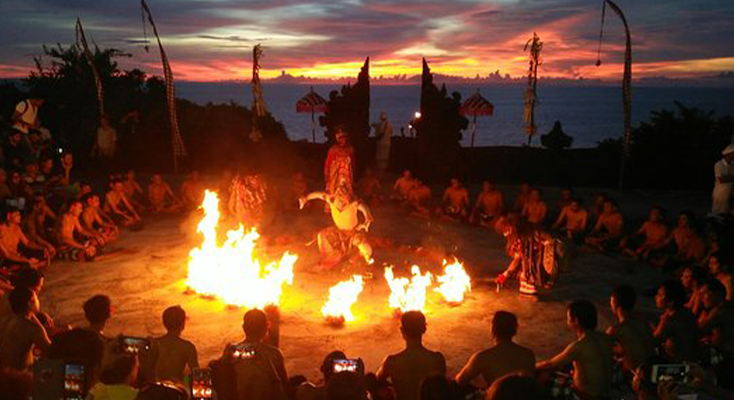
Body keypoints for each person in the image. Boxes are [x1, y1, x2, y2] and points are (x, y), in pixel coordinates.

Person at [536, 300, 614, 400]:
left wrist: (530, 367)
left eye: (568, 317)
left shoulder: (579, 346)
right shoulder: (606, 338)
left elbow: (550, 364)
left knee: (541, 375)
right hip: (605, 392)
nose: (567, 320)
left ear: (576, 321)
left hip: (585, 395)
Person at [376, 311, 446, 400]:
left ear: (402, 330)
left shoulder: (391, 362)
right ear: (424, 328)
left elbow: (376, 381)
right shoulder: (437, 359)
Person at [300, 185, 374, 268]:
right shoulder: (331, 200)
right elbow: (318, 195)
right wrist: (305, 198)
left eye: (343, 196)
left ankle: (358, 260)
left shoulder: (353, 203)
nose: (340, 201)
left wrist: (367, 218)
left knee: (366, 250)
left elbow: (364, 207)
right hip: (339, 232)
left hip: (353, 233)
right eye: (338, 195)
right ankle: (329, 259)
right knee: (322, 235)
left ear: (347, 196)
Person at [455, 311, 535, 387]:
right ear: (514, 331)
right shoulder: (528, 354)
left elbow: (460, 381)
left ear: (493, 330)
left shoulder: (483, 357)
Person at [222, 309, 288, 400]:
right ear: (266, 327)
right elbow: (284, 388)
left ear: (244, 327)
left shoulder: (231, 351)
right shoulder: (274, 354)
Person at [0, 287, 51, 370]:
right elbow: (50, 350)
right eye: (36, 298)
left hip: (4, 367)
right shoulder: (32, 329)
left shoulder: (9, 319)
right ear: (30, 303)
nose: (38, 300)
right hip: (19, 373)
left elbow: (28, 314)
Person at [606, 285, 654, 372]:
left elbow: (600, 349)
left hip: (635, 374)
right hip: (651, 368)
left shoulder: (616, 329)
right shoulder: (643, 323)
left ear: (614, 302)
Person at [652, 280, 700, 362]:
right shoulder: (685, 312)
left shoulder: (672, 318)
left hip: (679, 362)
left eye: (660, 295)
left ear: (671, 302)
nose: (656, 297)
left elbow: (653, 341)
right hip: (691, 358)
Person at [151, 306, 198, 383]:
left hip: (155, 389)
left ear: (164, 323)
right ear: (182, 324)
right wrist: (184, 380)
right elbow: (197, 375)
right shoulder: (188, 347)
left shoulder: (154, 344)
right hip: (175, 390)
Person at [697, 279, 734, 375]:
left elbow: (698, 331)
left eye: (704, 294)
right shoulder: (726, 306)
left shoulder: (720, 310)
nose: (701, 298)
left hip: (727, 358)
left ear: (717, 294)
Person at [324, 128, 354, 196]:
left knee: (347, 195)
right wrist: (327, 178)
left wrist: (353, 178)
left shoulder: (350, 150)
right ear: (338, 139)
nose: (343, 139)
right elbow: (327, 165)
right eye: (341, 138)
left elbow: (352, 165)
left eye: (344, 137)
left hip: (346, 178)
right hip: (335, 178)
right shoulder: (333, 150)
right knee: (332, 195)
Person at [712, 144, 734, 216]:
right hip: (720, 193)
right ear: (728, 154)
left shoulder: (732, 164)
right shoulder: (719, 165)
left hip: (730, 192)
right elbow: (721, 179)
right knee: (719, 213)